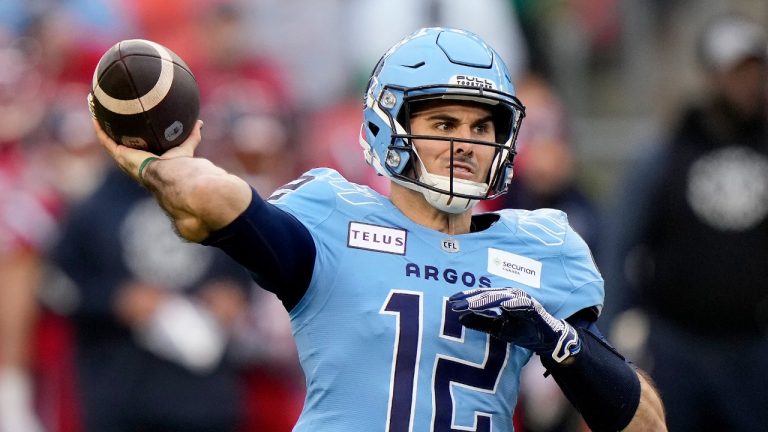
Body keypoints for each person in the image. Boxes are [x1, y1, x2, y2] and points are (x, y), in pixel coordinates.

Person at [91, 27, 666, 431]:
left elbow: (646, 428)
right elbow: (209, 203)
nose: (465, 143)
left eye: (481, 126)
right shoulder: (332, 219)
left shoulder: (544, 247)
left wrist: (564, 347)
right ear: (386, 125)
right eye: (443, 122)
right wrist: (161, 165)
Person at [602, 13, 768, 432]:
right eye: (736, 72)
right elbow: (622, 239)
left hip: (752, 347)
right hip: (678, 346)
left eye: (754, 71)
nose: (747, 84)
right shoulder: (667, 154)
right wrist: (605, 340)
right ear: (712, 77)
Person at [48, 162, 254, 432]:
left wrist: (235, 294)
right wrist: (114, 299)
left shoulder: (215, 194)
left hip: (204, 398)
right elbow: (56, 286)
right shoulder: (93, 206)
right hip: (120, 392)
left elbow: (250, 267)